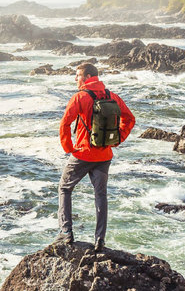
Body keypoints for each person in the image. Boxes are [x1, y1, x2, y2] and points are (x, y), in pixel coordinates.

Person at [57, 63, 134, 251]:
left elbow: (65, 124)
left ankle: (66, 233)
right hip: (104, 154)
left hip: (83, 153)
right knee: (100, 195)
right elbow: (129, 118)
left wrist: (69, 148)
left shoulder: (80, 97)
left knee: (64, 188)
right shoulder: (111, 96)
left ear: (88, 76)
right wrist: (117, 140)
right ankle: (100, 239)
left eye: (78, 75)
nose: (76, 79)